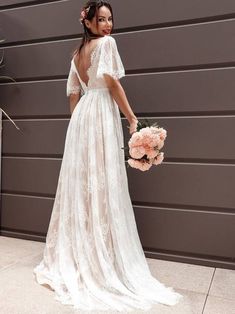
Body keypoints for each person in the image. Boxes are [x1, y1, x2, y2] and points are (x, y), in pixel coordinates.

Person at [33, 0, 183, 311]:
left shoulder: (75, 55)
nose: (107, 25)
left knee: (87, 181)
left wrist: (77, 125)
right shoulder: (108, 44)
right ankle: (100, 253)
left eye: (109, 19)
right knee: (101, 179)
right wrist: (131, 118)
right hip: (100, 112)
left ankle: (87, 249)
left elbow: (74, 94)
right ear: (87, 23)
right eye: (100, 20)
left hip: (83, 118)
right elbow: (112, 83)